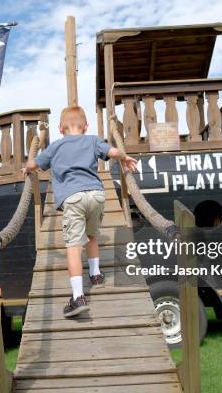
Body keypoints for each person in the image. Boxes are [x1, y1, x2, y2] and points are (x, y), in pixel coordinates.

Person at [22, 106, 137, 318]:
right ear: (86, 126)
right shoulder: (93, 140)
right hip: (96, 195)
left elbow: (34, 163)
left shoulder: (55, 147)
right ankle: (95, 274)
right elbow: (113, 152)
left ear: (60, 128)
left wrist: (27, 168)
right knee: (91, 234)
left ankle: (78, 297)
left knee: (73, 247)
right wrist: (125, 157)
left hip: (72, 198)